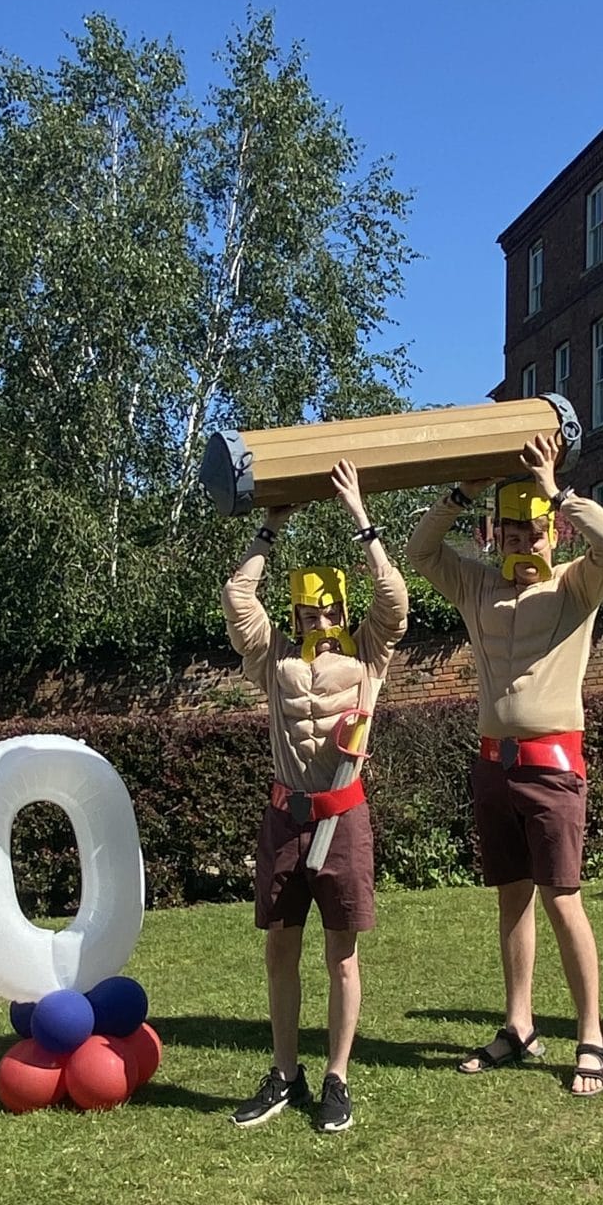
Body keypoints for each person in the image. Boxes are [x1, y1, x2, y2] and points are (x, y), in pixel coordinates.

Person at [407, 432, 603, 1095]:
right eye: (511, 531)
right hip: (492, 767)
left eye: (534, 531)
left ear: (553, 533)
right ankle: (519, 1025)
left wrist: (557, 490)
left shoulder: (575, 586)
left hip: (551, 767)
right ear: (494, 534)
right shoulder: (477, 584)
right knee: (511, 899)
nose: (523, 541)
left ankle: (591, 1036)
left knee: (563, 899)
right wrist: (461, 492)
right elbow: (420, 552)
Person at [220, 458, 407, 1134]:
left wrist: (360, 517)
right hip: (284, 817)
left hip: (341, 816)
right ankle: (284, 1072)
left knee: (342, 955)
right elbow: (237, 597)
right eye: (309, 608)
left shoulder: (367, 654)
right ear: (296, 609)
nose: (320, 616)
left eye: (329, 607)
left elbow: (394, 598)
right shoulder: (274, 657)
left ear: (342, 608)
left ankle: (337, 1077)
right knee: (280, 950)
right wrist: (270, 527)